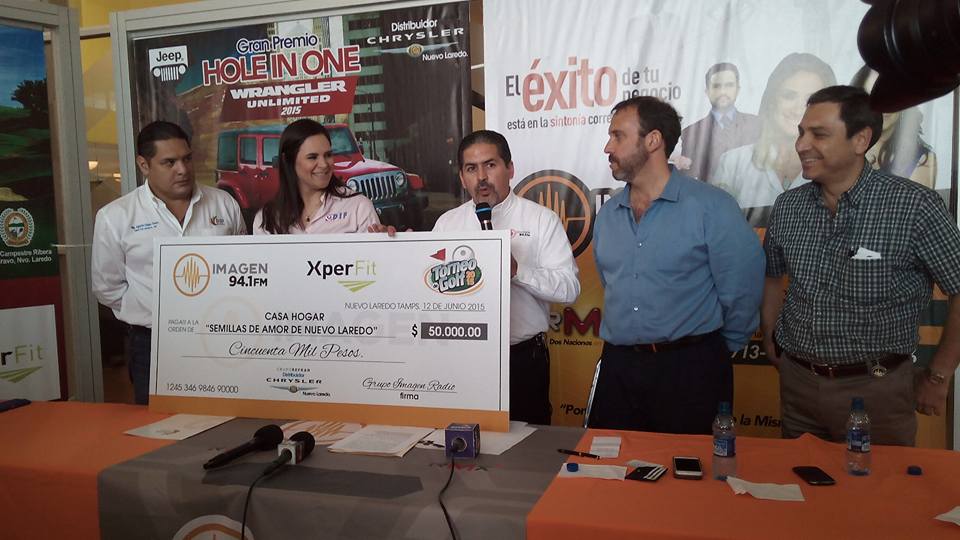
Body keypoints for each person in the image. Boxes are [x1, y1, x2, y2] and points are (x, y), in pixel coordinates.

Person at [761, 85, 960, 446]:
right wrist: (772, 334)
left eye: (819, 134)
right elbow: (773, 276)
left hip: (877, 391)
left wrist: (939, 375)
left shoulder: (914, 206)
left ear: (861, 140)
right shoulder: (789, 207)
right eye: (801, 133)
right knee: (798, 480)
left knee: (879, 483)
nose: (802, 145)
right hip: (798, 386)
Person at [588, 96, 765, 434]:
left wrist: (711, 351)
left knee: (688, 466)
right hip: (619, 368)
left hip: (690, 370)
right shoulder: (609, 215)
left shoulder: (711, 206)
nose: (607, 147)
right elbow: (613, 284)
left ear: (653, 140)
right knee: (613, 463)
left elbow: (742, 289)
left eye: (618, 136)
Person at [431, 130, 580, 425]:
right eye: (471, 168)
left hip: (523, 359)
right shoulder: (447, 224)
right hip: (464, 359)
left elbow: (570, 288)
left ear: (510, 169)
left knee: (528, 445)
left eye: (490, 165)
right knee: (466, 440)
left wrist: (518, 271)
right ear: (461, 177)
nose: (481, 177)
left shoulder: (540, 219)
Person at [92, 121, 246, 405]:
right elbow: (107, 288)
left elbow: (245, 265)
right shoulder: (116, 217)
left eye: (187, 159)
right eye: (169, 162)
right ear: (144, 165)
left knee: (226, 417)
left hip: (223, 338)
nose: (183, 169)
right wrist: (154, 313)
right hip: (152, 345)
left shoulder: (223, 204)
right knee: (161, 424)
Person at [711, 53, 836, 226]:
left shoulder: (837, 167)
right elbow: (716, 228)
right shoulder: (733, 163)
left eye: (811, 100)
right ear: (771, 100)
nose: (799, 108)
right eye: (789, 96)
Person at [253, 119, 380, 234]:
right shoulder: (265, 219)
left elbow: (374, 253)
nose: (324, 164)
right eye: (312, 157)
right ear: (288, 161)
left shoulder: (359, 207)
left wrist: (386, 244)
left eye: (328, 155)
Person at [676, 62, 761, 181]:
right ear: (707, 91)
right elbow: (690, 179)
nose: (723, 92)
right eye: (716, 86)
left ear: (738, 89)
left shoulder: (757, 125)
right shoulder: (691, 133)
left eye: (729, 85)